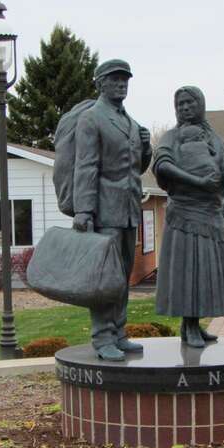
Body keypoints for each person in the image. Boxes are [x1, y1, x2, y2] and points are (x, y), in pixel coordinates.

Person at [72, 59, 152, 361]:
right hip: (104, 211)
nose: (121, 84)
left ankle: (119, 333)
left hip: (130, 210)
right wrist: (84, 211)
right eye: (115, 79)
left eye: (125, 80)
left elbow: (135, 168)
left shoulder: (129, 121)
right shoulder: (92, 119)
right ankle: (102, 337)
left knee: (123, 277)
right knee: (104, 279)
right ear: (100, 83)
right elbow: (86, 167)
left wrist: (146, 149)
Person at [152, 86, 224, 347]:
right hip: (184, 213)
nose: (185, 108)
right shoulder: (171, 137)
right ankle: (187, 326)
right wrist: (198, 181)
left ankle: (196, 324)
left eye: (190, 103)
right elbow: (162, 165)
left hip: (210, 213)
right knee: (187, 271)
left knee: (205, 271)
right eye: (180, 104)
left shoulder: (214, 139)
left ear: (200, 104)